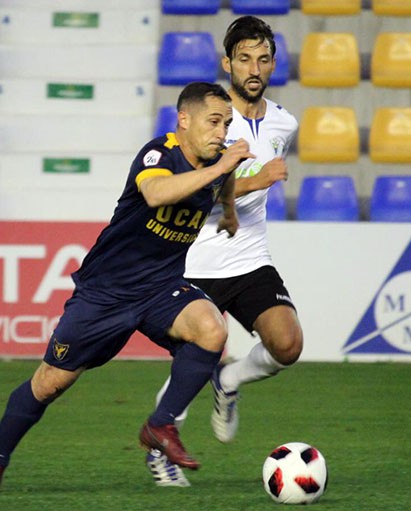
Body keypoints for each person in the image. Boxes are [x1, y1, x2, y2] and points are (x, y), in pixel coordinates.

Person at [0, 81, 256, 493]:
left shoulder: (216, 161)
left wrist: (229, 210)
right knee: (49, 383)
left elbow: (221, 180)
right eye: (213, 121)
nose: (221, 131)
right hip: (106, 293)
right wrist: (222, 168)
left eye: (226, 123)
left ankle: (160, 426)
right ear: (184, 120)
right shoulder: (160, 153)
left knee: (212, 328)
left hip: (161, 287)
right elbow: (157, 194)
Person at [146, 16, 303, 487]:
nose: (253, 68)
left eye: (262, 59)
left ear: (273, 63)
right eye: (243, 59)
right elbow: (194, 192)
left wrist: (255, 183)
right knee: (190, 365)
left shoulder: (284, 122)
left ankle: (230, 381)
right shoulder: (210, 120)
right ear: (226, 63)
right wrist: (259, 178)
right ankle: (160, 454)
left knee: (287, 345)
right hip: (192, 262)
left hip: (251, 259)